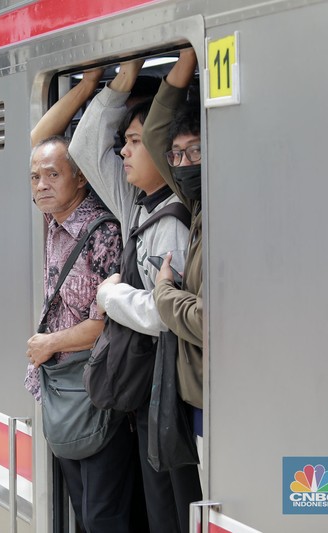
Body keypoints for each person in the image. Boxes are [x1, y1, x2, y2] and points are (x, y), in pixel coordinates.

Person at [59, 61, 201, 533]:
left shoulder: (172, 222)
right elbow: (85, 146)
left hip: (166, 387)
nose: (122, 150)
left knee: (168, 509)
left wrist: (111, 294)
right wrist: (120, 78)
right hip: (146, 384)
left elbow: (164, 314)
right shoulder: (137, 204)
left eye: (135, 142)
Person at [25, 136, 134, 531]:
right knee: (83, 512)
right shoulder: (53, 222)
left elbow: (110, 322)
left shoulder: (102, 233)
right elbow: (37, 134)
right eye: (35, 177)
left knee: (102, 515)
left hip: (96, 388)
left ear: (81, 177)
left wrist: (50, 343)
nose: (41, 185)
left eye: (53, 175)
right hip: (64, 391)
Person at [142, 49, 204, 430]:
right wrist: (188, 56)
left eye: (195, 150)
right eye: (177, 155)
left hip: (218, 397)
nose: (184, 163)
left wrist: (163, 292)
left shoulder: (222, 213)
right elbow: (155, 135)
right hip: (198, 394)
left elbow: (207, 321)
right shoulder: (198, 203)